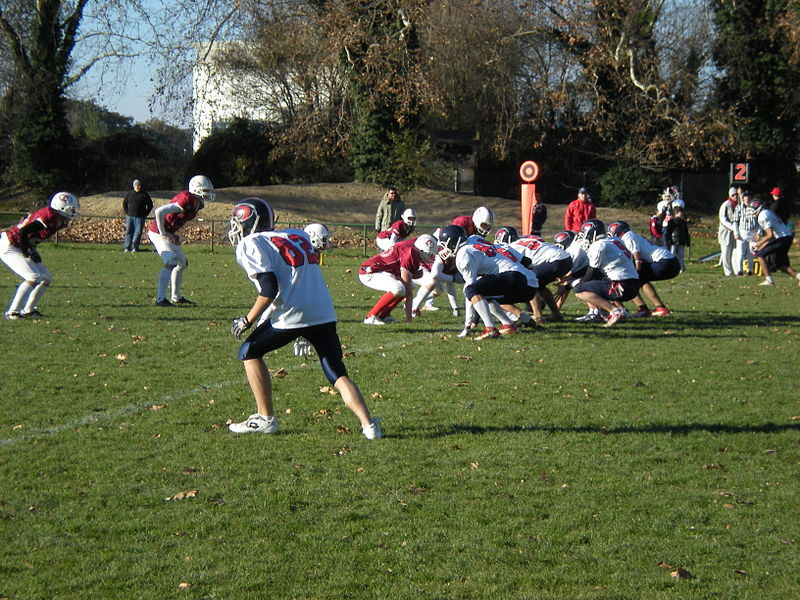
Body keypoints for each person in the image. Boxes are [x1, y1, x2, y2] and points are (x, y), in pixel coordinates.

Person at [226, 197, 382, 439]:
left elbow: (268, 290)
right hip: (322, 310)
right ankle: (369, 426)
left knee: (249, 351)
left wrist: (246, 320)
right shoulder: (296, 234)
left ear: (248, 221)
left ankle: (265, 418)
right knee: (336, 371)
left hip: (292, 314)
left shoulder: (251, 244)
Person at [438, 225, 538, 340]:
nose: (444, 248)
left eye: (445, 244)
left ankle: (490, 329)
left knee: (472, 290)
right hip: (528, 283)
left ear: (452, 242)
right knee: (483, 293)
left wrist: (467, 325)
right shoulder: (475, 239)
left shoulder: (463, 254)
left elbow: (470, 290)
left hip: (513, 277)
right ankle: (508, 325)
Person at [1, 192, 80, 320]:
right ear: (61, 207)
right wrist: (26, 251)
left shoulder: (57, 218)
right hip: (10, 245)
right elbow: (23, 232)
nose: (73, 212)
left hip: (20, 244)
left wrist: (31, 249)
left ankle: (28, 310)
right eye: (71, 209)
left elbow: (29, 236)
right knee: (32, 276)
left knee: (46, 278)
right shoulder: (47, 216)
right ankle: (12, 312)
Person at [147, 175, 213, 306]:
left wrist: (174, 233)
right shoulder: (186, 199)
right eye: (205, 190)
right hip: (156, 232)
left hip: (168, 232)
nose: (207, 194)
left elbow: (175, 219)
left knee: (182, 263)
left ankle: (176, 297)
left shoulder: (196, 202)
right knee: (170, 260)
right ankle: (160, 299)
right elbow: (160, 212)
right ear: (196, 189)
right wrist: (163, 233)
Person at [572, 219, 640, 327]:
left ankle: (615, 311)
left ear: (591, 233)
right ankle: (605, 313)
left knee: (580, 289)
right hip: (634, 285)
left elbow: (591, 272)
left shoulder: (598, 245)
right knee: (595, 282)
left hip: (621, 286)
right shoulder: (615, 240)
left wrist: (579, 282)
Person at [359, 235, 438, 324]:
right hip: (370, 272)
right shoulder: (411, 254)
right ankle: (370, 317)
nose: (429, 256)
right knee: (399, 289)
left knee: (406, 287)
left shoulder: (415, 245)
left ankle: (383, 316)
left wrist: (413, 274)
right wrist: (409, 320)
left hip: (382, 270)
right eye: (428, 253)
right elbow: (408, 291)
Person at [607, 221, 680, 317]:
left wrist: (635, 271)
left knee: (632, 279)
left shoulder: (627, 236)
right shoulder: (630, 236)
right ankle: (649, 308)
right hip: (669, 261)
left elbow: (636, 255)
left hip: (665, 261)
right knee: (636, 278)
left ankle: (652, 308)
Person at [751, 200, 800, 286]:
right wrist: (762, 245)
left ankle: (769, 280)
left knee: (760, 255)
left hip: (782, 238)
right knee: (781, 265)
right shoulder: (768, 212)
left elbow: (770, 235)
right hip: (786, 237)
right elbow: (772, 237)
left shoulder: (763, 215)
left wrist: (758, 244)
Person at [732, 191, 760, 276]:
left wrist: (758, 232)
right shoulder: (739, 208)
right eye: (745, 197)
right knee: (740, 252)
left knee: (751, 252)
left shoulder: (755, 207)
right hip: (742, 232)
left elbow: (759, 221)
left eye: (748, 197)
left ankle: (750, 270)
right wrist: (736, 233)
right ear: (743, 198)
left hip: (752, 232)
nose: (747, 199)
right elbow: (735, 221)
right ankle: (739, 270)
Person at [122, 179, 153, 252]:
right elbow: (124, 204)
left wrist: (145, 213)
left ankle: (135, 247)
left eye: (139, 185)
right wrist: (128, 212)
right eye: (137, 185)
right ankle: (127, 247)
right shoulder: (129, 194)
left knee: (138, 233)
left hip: (140, 217)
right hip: (130, 217)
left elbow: (150, 205)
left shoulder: (144, 194)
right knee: (129, 232)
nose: (138, 187)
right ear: (134, 186)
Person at [717, 187, 738, 277]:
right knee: (726, 252)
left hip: (734, 232)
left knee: (734, 252)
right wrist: (732, 227)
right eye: (734, 195)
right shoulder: (726, 205)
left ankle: (736, 270)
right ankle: (728, 272)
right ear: (730, 195)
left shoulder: (738, 205)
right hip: (725, 232)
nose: (736, 196)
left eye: (737, 194)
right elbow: (723, 219)